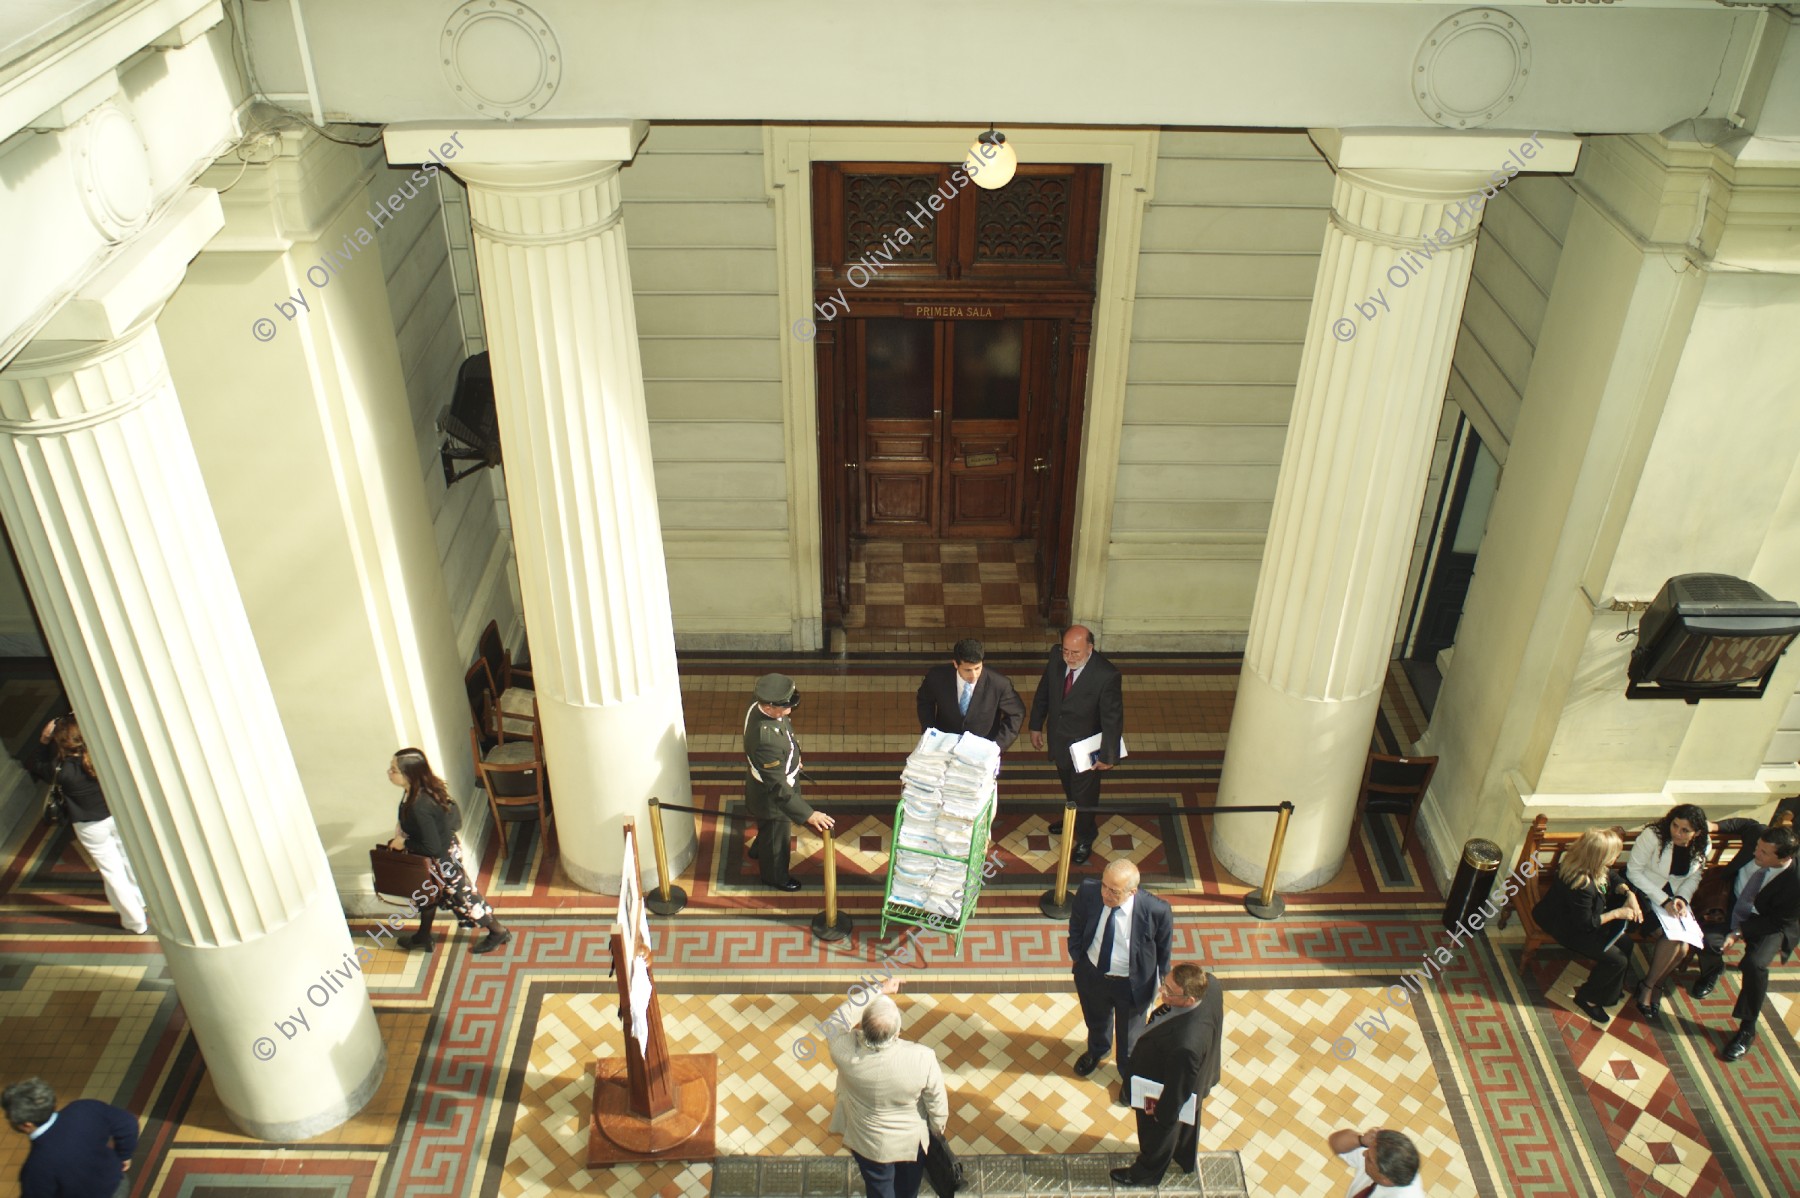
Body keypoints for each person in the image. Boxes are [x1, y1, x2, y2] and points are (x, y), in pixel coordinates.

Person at [822, 976, 949, 1198]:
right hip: (910, 1144)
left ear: (861, 1027)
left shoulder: (843, 1051)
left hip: (868, 1142)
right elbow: (936, 1102)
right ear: (897, 1032)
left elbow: (835, 1021)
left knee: (879, 1188)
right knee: (908, 1189)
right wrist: (937, 1129)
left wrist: (878, 990)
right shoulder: (923, 1058)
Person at [29, 714, 148, 935]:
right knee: (127, 858)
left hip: (89, 826)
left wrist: (43, 741)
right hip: (115, 817)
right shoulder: (99, 760)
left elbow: (36, 765)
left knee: (112, 872)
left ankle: (135, 921)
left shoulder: (59, 769)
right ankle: (140, 898)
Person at [1690, 818, 1799, 1061]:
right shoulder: (1759, 836)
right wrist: (1714, 826)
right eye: (1757, 846)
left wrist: (1738, 932)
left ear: (1782, 858)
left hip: (1769, 921)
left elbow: (1780, 921)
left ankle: (1747, 1029)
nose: (1755, 852)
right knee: (1706, 938)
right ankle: (1712, 970)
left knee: (1755, 965)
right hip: (1732, 901)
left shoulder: (1796, 882)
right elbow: (1745, 824)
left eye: (1763, 852)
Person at [384, 748, 512, 954]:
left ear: (409, 774)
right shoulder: (421, 788)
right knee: (427, 895)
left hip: (441, 861)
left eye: (394, 769)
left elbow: (432, 847)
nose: (389, 772)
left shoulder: (419, 805)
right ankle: (423, 936)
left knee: (464, 897)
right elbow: (454, 820)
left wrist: (403, 844)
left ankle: (498, 931)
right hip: (444, 853)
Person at [1110, 962, 1224, 1188]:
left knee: (1159, 1135)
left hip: (1166, 1084)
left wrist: (1161, 1116)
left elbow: (1175, 1094)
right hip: (1196, 1076)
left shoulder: (1186, 1045)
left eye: (1170, 992)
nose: (1162, 992)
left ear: (1190, 1000)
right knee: (1188, 1123)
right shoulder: (1211, 984)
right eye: (1166, 983)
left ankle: (1145, 1174)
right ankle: (1183, 1156)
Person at [1029, 624, 1124, 865]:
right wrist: (1035, 724)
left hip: (1087, 749)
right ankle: (1073, 818)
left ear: (1090, 648)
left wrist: (1108, 755)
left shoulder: (1106, 675)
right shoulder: (1056, 656)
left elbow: (1112, 718)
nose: (1069, 658)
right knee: (1070, 788)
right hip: (1060, 742)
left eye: (1075, 653)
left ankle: (1085, 835)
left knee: (1085, 796)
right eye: (1066, 651)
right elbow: (1044, 692)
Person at [1068, 859, 1172, 1080]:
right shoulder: (1088, 891)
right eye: (1104, 886)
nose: (1105, 894)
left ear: (1132, 891)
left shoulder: (1157, 910)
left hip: (1131, 984)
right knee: (1096, 1019)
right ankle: (1097, 1050)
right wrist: (1077, 955)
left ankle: (1127, 1072)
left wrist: (1163, 980)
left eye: (1114, 891)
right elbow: (1076, 922)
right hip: (1093, 974)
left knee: (1130, 1035)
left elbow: (1164, 949)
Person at [1530, 828, 1641, 1025]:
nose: (1617, 857)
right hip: (1569, 929)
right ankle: (1587, 997)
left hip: (1585, 921)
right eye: (1614, 854)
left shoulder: (1589, 863)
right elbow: (1585, 923)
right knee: (1618, 960)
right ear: (1600, 856)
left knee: (1627, 945)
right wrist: (1618, 913)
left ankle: (1609, 992)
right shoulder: (1581, 884)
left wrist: (1628, 894)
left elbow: (1612, 877)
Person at [744, 673, 835, 892]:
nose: (789, 711)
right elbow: (778, 789)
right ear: (769, 708)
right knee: (777, 836)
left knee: (767, 829)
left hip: (766, 784)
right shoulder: (767, 740)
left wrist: (793, 760)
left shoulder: (759, 706)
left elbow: (785, 735)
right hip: (772, 798)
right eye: (785, 707)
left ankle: (759, 849)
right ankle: (774, 876)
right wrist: (808, 814)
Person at [1624, 803, 1709, 1018]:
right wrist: (1663, 901)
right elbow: (1633, 872)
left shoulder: (1703, 844)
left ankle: (1652, 984)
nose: (1677, 833)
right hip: (1643, 893)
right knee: (1675, 945)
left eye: (1685, 830)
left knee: (1683, 947)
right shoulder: (1653, 836)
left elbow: (1695, 876)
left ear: (1697, 833)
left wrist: (1681, 898)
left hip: (1674, 899)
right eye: (1675, 826)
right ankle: (1650, 986)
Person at [4, 1077, 138, 1198]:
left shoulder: (36, 1167)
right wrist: (124, 1155)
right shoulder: (85, 1109)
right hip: (117, 1183)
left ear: (27, 1124)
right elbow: (128, 1123)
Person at [915, 638, 1025, 751]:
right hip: (944, 746)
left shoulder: (999, 684)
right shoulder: (936, 677)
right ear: (955, 664)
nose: (974, 675)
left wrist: (997, 746)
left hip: (981, 750)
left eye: (977, 668)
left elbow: (1016, 713)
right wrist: (930, 733)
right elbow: (925, 701)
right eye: (967, 670)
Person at [1326, 1126, 1424, 1197]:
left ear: (1385, 1179)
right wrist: (1361, 1140)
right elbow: (1336, 1143)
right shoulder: (1382, 1156)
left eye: (1369, 1159)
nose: (1364, 1154)